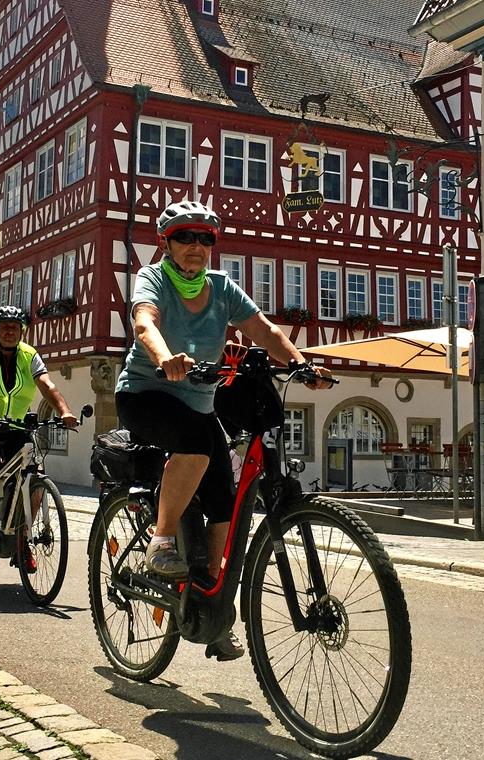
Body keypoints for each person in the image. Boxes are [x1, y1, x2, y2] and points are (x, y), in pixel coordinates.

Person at [114, 199, 334, 661]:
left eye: (205, 238)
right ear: (167, 243)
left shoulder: (222, 287)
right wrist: (164, 357)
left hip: (196, 403)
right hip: (145, 396)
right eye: (185, 237)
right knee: (195, 444)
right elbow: (144, 322)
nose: (196, 246)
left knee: (224, 500)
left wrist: (300, 363)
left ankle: (211, 602)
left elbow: (264, 329)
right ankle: (161, 540)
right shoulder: (153, 278)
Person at [0, 306, 78, 570]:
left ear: (22, 331)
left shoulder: (30, 356)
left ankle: (22, 540)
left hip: (15, 425)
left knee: (34, 473)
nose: (10, 330)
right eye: (4, 326)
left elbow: (47, 385)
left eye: (15, 327)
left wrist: (65, 412)